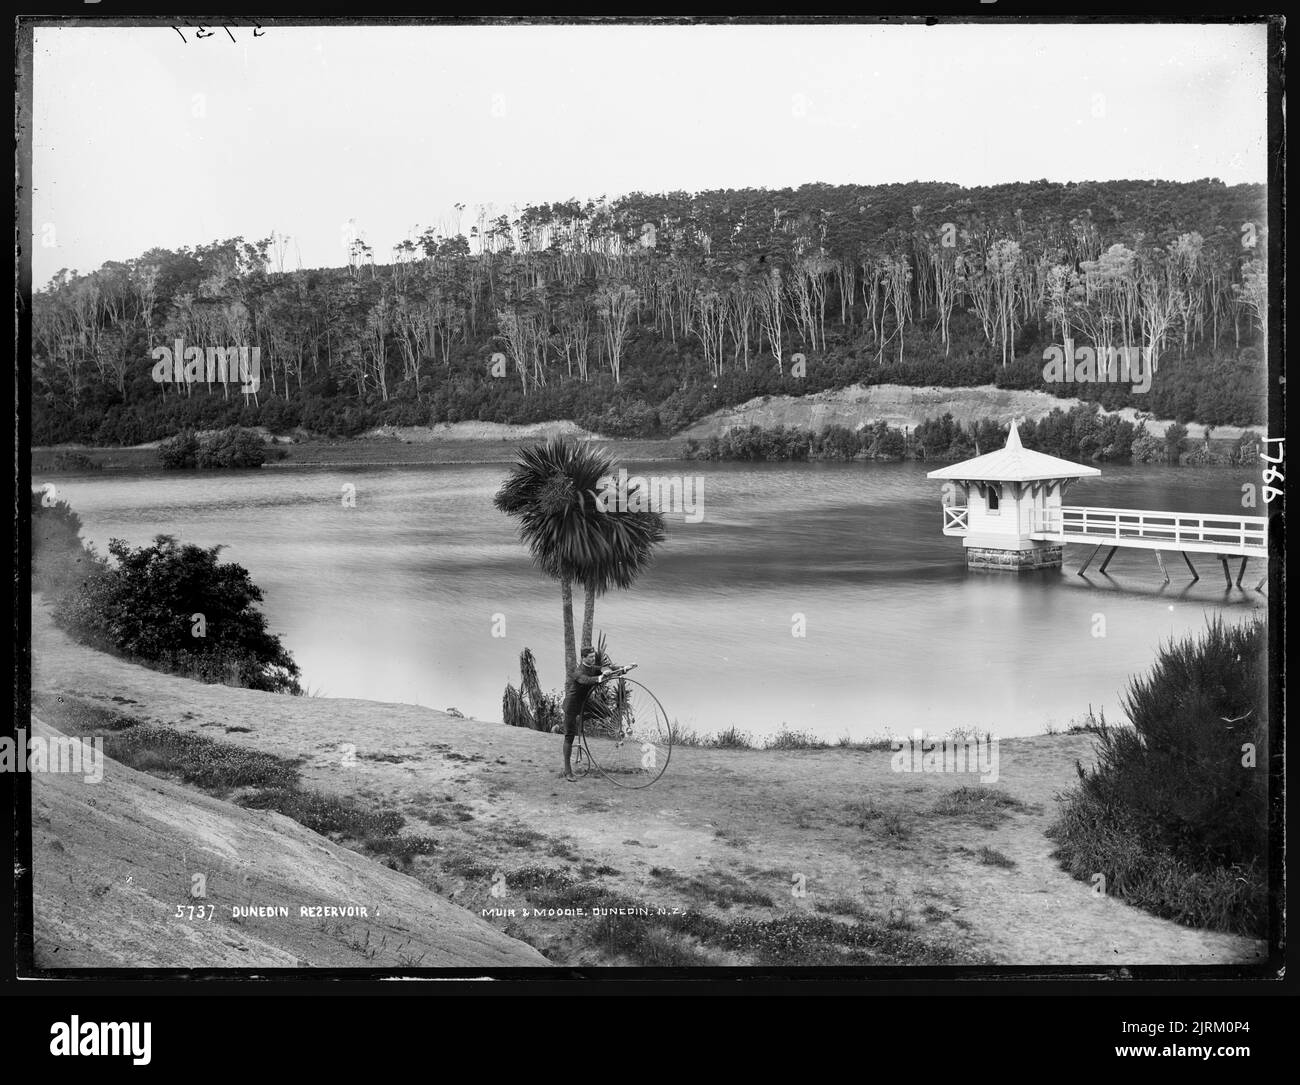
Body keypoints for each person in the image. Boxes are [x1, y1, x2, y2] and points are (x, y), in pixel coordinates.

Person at [560, 645, 604, 782]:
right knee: (569, 737)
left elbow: (606, 669)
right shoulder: (578, 671)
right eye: (590, 657)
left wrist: (624, 668)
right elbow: (585, 680)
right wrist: (599, 678)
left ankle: (581, 720)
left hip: (585, 703)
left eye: (593, 656)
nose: (593, 658)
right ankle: (568, 771)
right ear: (583, 657)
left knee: (604, 712)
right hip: (572, 705)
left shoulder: (592, 668)